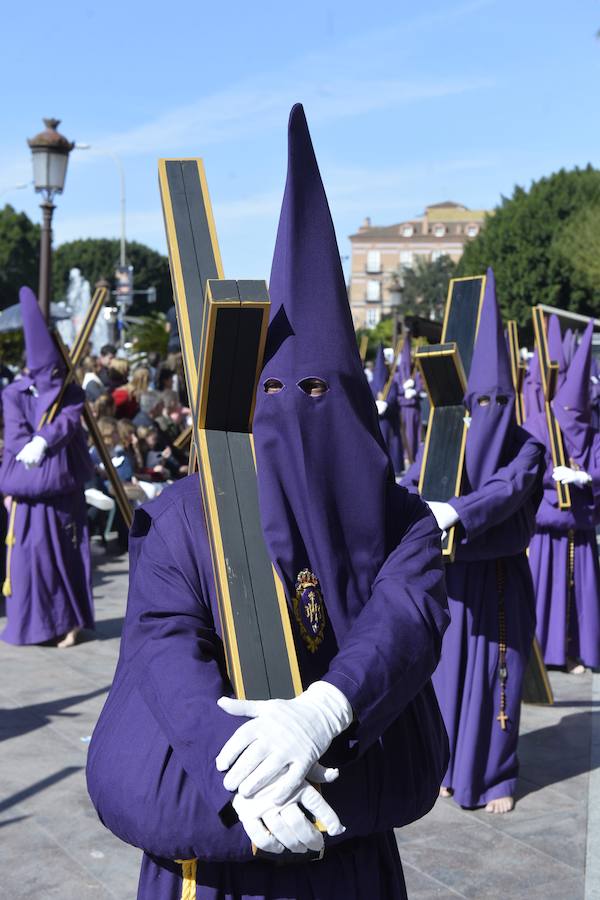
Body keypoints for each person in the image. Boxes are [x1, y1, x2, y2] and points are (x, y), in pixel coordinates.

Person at [87, 103, 449, 900]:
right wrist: (237, 770)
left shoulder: (403, 522)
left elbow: (407, 618)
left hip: (348, 850)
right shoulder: (184, 515)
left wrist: (325, 710)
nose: (296, 407)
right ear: (250, 401)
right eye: (277, 390)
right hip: (217, 852)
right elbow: (161, 643)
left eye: (320, 390)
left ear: (354, 402)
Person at [402, 268, 544, 814]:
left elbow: (504, 493)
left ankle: (493, 777)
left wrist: (452, 510)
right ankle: (446, 766)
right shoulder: (451, 433)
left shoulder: (528, 447)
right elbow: (415, 473)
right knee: (446, 675)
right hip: (454, 576)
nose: (488, 413)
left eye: (497, 403)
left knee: (495, 679)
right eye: (479, 402)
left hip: (502, 578)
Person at [0, 287, 94, 648]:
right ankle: (35, 626)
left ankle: (69, 623)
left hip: (62, 494)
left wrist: (44, 440)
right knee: (28, 562)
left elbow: (69, 422)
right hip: (26, 497)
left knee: (62, 559)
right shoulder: (14, 394)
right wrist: (30, 446)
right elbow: (14, 438)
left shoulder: (70, 392)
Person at [526, 321, 600, 673]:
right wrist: (552, 482)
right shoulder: (540, 426)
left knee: (578, 595)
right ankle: (543, 654)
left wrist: (585, 476)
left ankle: (575, 651)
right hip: (546, 528)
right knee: (545, 592)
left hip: (580, 530)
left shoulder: (593, 433)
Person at [396, 334, 421, 467]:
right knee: (404, 434)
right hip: (402, 408)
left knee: (413, 434)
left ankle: (413, 457)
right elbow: (394, 390)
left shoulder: (415, 373)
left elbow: (421, 387)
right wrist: (402, 389)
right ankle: (405, 456)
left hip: (413, 408)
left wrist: (415, 390)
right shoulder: (397, 375)